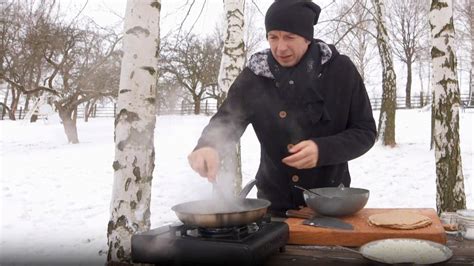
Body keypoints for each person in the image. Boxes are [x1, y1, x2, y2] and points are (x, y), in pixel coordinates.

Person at [188, 0, 376, 216]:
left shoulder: (341, 71)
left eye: (289, 37)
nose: (280, 47)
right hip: (273, 207)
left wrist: (323, 150)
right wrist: (209, 146)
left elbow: (365, 132)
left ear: (307, 37)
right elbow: (227, 120)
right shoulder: (255, 76)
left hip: (332, 203)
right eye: (273, 37)